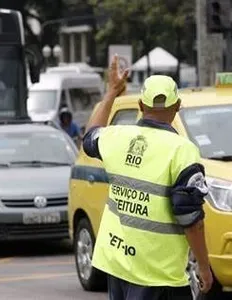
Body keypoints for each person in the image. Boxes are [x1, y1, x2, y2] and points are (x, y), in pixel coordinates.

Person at [82, 54, 213, 300]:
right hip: (159, 274)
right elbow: (190, 217)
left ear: (141, 106)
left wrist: (112, 93)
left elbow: (89, 138)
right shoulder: (182, 150)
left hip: (117, 263)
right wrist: (204, 267)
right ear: (177, 107)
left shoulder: (116, 137)